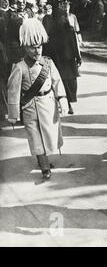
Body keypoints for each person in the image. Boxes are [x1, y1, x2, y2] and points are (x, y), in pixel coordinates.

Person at [7, 18, 67, 179]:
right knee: (36, 138)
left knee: (49, 135)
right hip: (31, 107)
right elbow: (13, 92)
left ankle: (44, 159)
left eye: (39, 46)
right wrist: (13, 114)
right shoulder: (19, 67)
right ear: (25, 47)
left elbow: (57, 81)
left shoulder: (47, 63)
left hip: (48, 103)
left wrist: (62, 99)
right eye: (33, 47)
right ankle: (44, 166)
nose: (37, 50)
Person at [43, 0, 82, 115]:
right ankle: (68, 103)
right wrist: (78, 57)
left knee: (65, 82)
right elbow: (74, 45)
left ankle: (67, 103)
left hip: (62, 60)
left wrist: (78, 57)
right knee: (67, 82)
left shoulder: (56, 30)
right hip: (65, 60)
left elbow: (74, 44)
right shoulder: (66, 29)